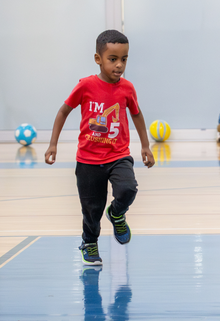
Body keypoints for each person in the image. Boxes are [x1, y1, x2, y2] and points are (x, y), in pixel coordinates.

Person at [44, 30, 155, 266]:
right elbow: (64, 111)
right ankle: (90, 242)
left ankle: (116, 213)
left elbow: (136, 114)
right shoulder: (85, 86)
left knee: (128, 189)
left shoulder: (127, 89)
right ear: (98, 59)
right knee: (91, 208)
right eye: (112, 59)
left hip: (118, 156)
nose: (119, 65)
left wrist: (145, 145)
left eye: (124, 59)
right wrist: (53, 143)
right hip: (88, 160)